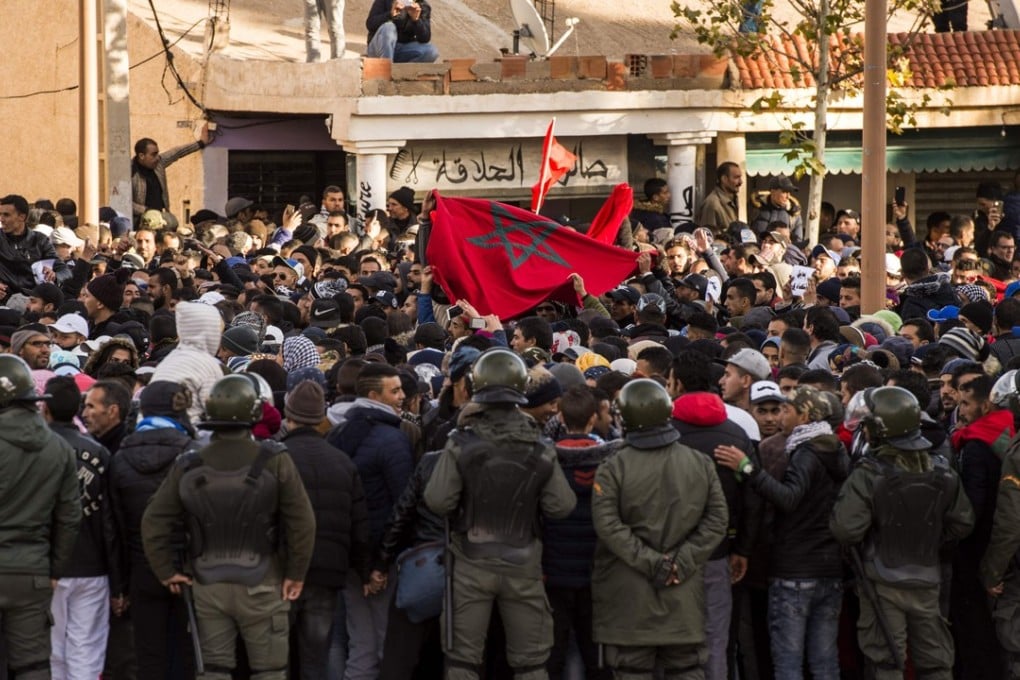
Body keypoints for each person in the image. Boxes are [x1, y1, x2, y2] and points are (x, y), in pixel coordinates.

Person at [141, 374, 317, 680]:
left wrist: (166, 570)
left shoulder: (188, 463)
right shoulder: (275, 460)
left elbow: (154, 520)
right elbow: (301, 521)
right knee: (270, 671)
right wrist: (296, 573)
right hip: (264, 581)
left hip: (207, 582)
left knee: (213, 670)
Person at [423, 348, 577, 680]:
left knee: (463, 662)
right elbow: (561, 506)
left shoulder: (460, 442)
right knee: (531, 663)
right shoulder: (540, 447)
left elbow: (438, 500)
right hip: (524, 561)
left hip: (470, 560)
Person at [830, 386, 974, 680]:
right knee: (935, 661)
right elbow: (963, 522)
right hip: (927, 576)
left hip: (881, 579)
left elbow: (845, 528)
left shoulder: (869, 474)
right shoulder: (942, 471)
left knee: (886, 662)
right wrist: (929, 539)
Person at [592, 378, 728, 680]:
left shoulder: (614, 466)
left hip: (630, 594)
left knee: (632, 669)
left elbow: (607, 525)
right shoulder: (699, 463)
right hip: (684, 589)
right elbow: (717, 519)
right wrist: (683, 561)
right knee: (687, 669)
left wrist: (651, 562)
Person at [716, 385, 848, 680]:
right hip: (829, 568)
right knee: (824, 660)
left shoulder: (806, 451)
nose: (779, 417)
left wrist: (748, 468)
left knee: (788, 661)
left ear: (803, 416)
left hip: (795, 570)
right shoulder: (835, 448)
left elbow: (788, 498)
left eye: (786, 410)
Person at [282, 379, 370, 680]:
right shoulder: (341, 462)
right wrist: (366, 567)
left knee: (277, 659)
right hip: (328, 571)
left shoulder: (275, 459)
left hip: (283, 572)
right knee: (316, 657)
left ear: (288, 415)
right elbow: (358, 521)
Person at [0, 355, 81, 680]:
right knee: (32, 664)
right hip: (32, 569)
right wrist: (53, 568)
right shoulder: (57, 447)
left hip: (29, 563)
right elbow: (70, 517)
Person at [109, 381, 197, 678]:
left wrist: (120, 584)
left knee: (149, 655)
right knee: (189, 653)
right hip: (187, 569)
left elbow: (115, 527)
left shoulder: (120, 458)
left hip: (140, 569)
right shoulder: (192, 453)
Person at [43, 376, 123, 680]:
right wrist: (117, 582)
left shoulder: (38, 449)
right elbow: (108, 520)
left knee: (53, 650)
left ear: (45, 409)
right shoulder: (98, 452)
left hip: (48, 565)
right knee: (86, 649)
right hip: (92, 565)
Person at [130, 128, 210, 225]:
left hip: (162, 219)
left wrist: (201, 143)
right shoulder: (130, 172)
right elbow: (125, 202)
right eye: (153, 155)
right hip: (141, 222)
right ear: (142, 156)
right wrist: (146, 210)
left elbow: (178, 152)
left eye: (157, 154)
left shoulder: (159, 163)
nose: (157, 158)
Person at [1, 194, 72, 286]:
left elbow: (65, 271)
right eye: (0, 214)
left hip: (33, 296)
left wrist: (54, 276)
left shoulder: (40, 240)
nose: (1, 219)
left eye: (6, 215)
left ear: (22, 217)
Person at [365, 0, 439, 63]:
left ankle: (402, 73)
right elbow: (370, 24)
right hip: (378, 48)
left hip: (401, 50)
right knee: (389, 27)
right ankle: (386, 70)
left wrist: (416, 20)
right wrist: (390, 14)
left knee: (431, 51)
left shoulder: (422, 5)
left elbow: (425, 38)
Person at [697, 162, 743, 236]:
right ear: (724, 179)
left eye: (740, 177)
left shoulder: (732, 200)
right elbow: (707, 236)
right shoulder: (712, 204)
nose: (741, 182)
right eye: (736, 177)